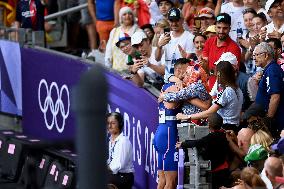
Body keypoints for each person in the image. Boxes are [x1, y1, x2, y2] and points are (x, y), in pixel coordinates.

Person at [177, 61, 243, 133]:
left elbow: (209, 112)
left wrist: (186, 117)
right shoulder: (238, 89)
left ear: (219, 74)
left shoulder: (227, 91)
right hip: (235, 127)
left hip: (225, 127)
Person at [153, 60, 188, 189]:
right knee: (171, 183)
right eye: (187, 70)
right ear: (179, 71)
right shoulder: (176, 87)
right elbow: (170, 104)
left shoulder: (165, 85)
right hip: (169, 135)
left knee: (162, 181)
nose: (189, 73)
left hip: (162, 132)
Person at [176, 113, 230, 189]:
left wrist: (182, 144)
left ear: (208, 124)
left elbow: (198, 142)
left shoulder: (211, 137)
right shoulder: (223, 135)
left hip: (217, 171)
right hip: (224, 168)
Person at [201, 13, 241, 89]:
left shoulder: (234, 48)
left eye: (225, 28)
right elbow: (204, 62)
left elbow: (230, 74)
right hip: (208, 87)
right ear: (215, 27)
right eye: (219, 27)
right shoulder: (209, 41)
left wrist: (209, 70)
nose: (221, 31)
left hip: (224, 90)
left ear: (230, 28)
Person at [155, 7, 195, 83]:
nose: (174, 23)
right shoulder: (164, 36)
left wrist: (186, 57)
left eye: (176, 20)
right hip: (168, 79)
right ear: (168, 21)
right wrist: (159, 46)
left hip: (183, 80)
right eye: (171, 20)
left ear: (182, 20)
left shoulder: (190, 37)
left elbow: (191, 63)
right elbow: (157, 59)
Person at [253, 42, 284, 138]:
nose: (254, 58)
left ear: (266, 55)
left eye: (257, 55)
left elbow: (275, 96)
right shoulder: (269, 69)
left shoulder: (272, 70)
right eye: (253, 55)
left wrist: (268, 120)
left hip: (276, 122)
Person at [105, 7, 141, 72]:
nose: (127, 16)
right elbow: (109, 50)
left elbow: (140, 51)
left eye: (130, 14)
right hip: (115, 70)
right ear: (120, 17)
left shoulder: (138, 31)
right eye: (124, 14)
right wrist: (108, 67)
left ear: (133, 17)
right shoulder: (114, 31)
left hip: (133, 72)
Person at [106, 112, 134, 189]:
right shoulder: (110, 140)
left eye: (113, 123)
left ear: (120, 124)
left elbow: (117, 165)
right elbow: (110, 161)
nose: (109, 126)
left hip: (123, 177)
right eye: (108, 123)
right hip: (114, 174)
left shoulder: (123, 142)